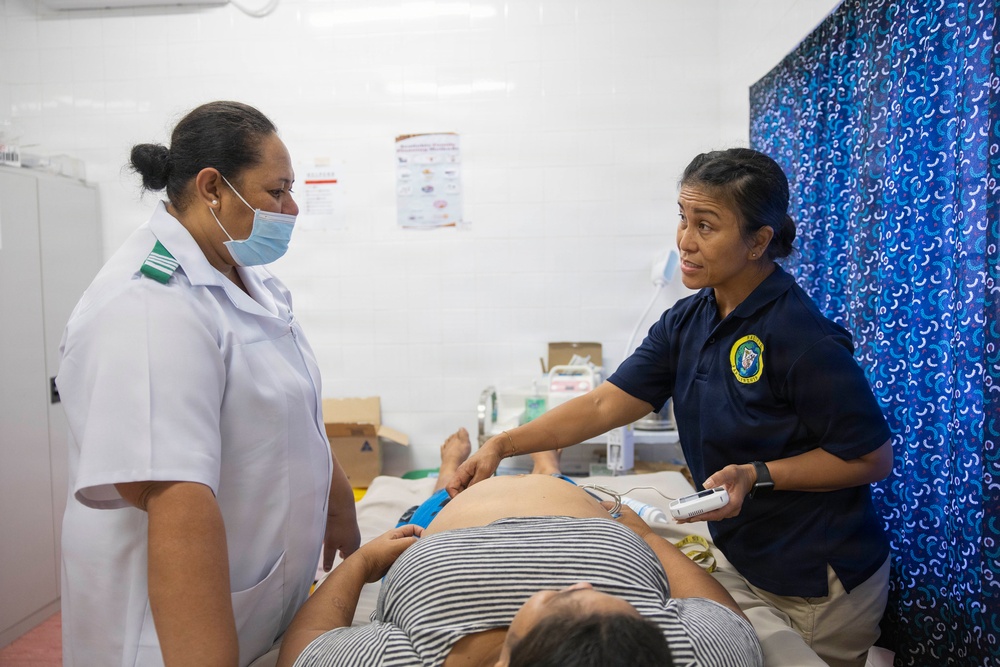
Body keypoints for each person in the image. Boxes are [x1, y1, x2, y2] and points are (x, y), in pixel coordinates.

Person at [447, 148, 894, 667]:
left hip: (813, 585)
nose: (684, 240)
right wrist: (504, 443)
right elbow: (601, 405)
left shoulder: (801, 337)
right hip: (744, 556)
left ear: (759, 241)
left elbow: (871, 458)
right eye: (683, 218)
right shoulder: (690, 320)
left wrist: (759, 474)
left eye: (706, 225)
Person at [56, 101, 360, 667]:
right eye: (277, 191)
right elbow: (171, 493)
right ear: (212, 187)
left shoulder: (249, 277)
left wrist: (335, 500)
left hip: (258, 594)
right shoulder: (148, 305)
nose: (292, 208)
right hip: (174, 629)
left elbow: (294, 410)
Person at [276, 428, 763, 667]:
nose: (575, 582)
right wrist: (649, 537)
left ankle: (449, 475)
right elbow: (728, 621)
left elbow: (305, 650)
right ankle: (548, 469)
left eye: (562, 600)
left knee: (434, 503)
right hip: (582, 511)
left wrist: (361, 564)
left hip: (442, 528)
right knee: (561, 482)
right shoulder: (675, 655)